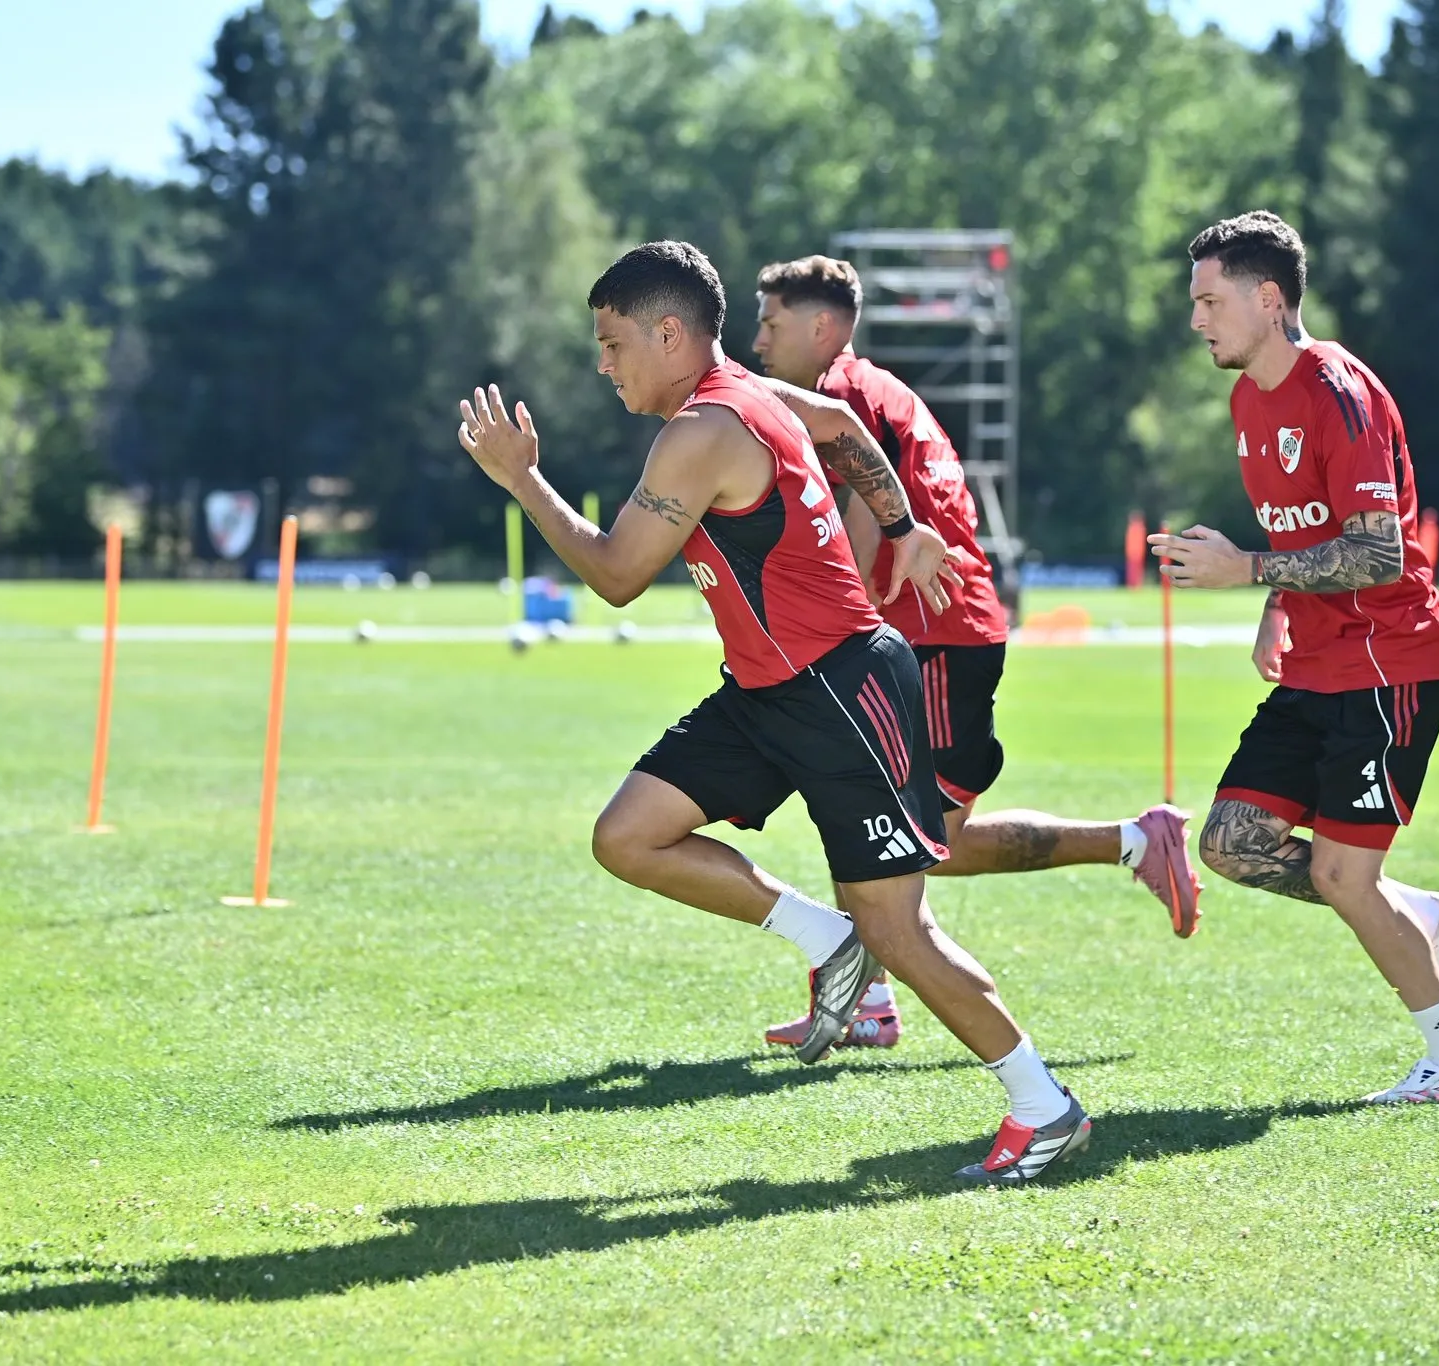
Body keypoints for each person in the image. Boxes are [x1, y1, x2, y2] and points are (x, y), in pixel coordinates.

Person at [457, 240, 1092, 1183]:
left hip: (841, 692)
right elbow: (841, 422)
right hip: (765, 692)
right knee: (629, 836)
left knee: (899, 930)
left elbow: (619, 575)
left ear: (670, 335)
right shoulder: (758, 392)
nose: (603, 364)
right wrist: (905, 524)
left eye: (612, 342)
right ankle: (822, 936)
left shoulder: (705, 428)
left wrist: (522, 479)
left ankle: (1045, 1108)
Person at [747, 253, 1200, 1053]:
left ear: (822, 327)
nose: (758, 342)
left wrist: (832, 631)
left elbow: (855, 527)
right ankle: (871, 995)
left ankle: (1130, 845)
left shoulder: (842, 395)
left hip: (932, 636)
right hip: (933, 633)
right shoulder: (868, 389)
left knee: (907, 837)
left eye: (772, 323)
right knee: (882, 822)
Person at [1150, 211, 1439, 1104]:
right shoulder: (1246, 399)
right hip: (1318, 664)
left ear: (1269, 299)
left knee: (1345, 874)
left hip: (1391, 665)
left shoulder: (1340, 391)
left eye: (1210, 300)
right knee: (1231, 842)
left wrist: (1247, 569)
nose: (1197, 320)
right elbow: (1307, 525)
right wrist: (1274, 603)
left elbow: (1381, 551)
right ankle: (1417, 911)